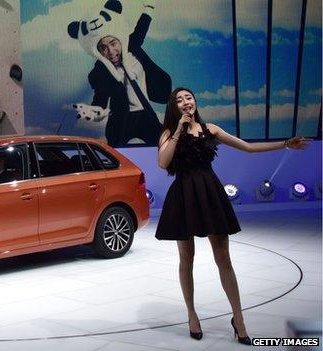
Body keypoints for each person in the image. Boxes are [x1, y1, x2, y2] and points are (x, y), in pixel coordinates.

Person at [155, 87, 310, 344]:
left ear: (195, 101)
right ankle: (192, 314)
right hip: (184, 195)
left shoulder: (211, 129)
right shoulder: (169, 133)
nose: (186, 102)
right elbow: (163, 162)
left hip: (210, 193)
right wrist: (180, 130)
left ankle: (238, 318)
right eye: (179, 100)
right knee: (187, 258)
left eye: (189, 98)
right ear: (173, 107)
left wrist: (284, 144)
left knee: (223, 257)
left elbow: (247, 147)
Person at [88, 8, 171, 147]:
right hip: (120, 119)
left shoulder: (133, 45)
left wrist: (149, 8)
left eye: (113, 43)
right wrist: (95, 111)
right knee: (116, 152)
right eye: (103, 48)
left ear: (121, 41)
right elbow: (100, 96)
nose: (111, 52)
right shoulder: (100, 70)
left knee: (163, 146)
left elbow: (142, 27)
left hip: (145, 114)